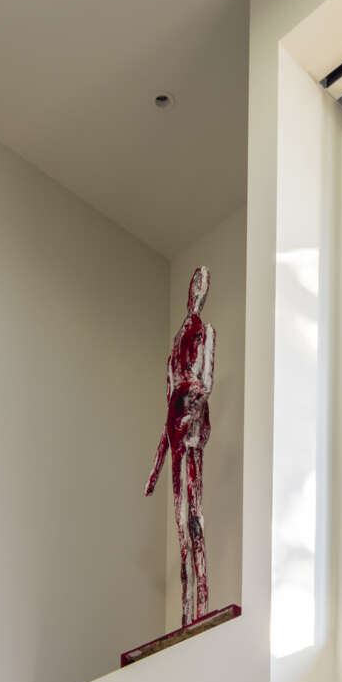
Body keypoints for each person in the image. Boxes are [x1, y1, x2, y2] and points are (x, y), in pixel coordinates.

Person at [147, 265, 215, 627]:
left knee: (194, 517)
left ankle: (200, 608)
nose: (197, 289)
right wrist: (156, 467)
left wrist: (191, 411)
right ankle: (187, 615)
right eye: (195, 282)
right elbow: (168, 399)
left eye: (202, 283)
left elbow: (205, 383)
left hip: (190, 429)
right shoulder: (174, 344)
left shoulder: (206, 332)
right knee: (179, 524)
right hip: (176, 430)